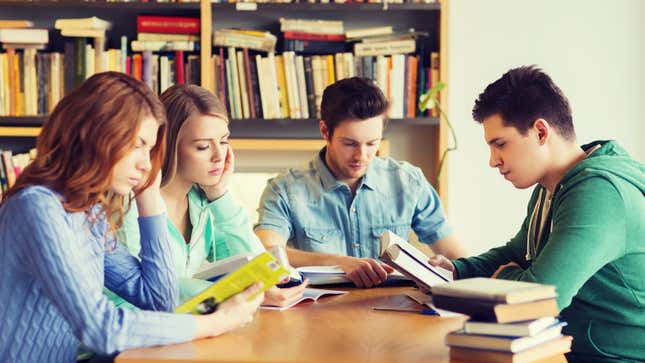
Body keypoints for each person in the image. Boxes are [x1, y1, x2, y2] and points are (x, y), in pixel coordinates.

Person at [0, 72, 264, 363]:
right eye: (137, 145)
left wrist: (148, 197)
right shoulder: (37, 207)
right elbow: (99, 328)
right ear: (97, 134)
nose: (146, 163)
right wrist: (217, 322)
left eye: (150, 150)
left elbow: (157, 300)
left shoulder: (90, 213)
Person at [429, 66, 644, 362]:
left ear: (541, 132)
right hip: (568, 348)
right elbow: (518, 251)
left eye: (500, 144)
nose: (493, 161)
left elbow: (540, 298)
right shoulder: (551, 185)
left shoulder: (598, 192)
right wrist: (456, 270)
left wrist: (507, 275)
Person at [255, 77, 468, 288]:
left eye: (372, 143)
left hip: (398, 311)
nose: (362, 156)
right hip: (318, 314)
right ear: (325, 131)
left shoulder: (408, 181)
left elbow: (456, 256)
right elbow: (267, 252)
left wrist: (447, 268)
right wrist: (338, 263)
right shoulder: (284, 189)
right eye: (350, 143)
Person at [113, 84, 307, 308]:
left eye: (223, 141)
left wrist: (219, 196)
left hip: (190, 329)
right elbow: (141, 291)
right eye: (203, 146)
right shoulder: (131, 203)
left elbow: (256, 263)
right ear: (167, 146)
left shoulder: (201, 200)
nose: (219, 155)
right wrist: (234, 293)